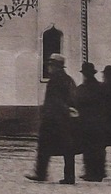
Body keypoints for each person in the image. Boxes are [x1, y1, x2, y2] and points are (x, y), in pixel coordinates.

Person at [28, 53, 78, 184]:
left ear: (55, 66)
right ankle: (69, 176)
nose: (48, 67)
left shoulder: (54, 80)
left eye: (50, 65)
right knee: (68, 149)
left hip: (52, 119)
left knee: (44, 146)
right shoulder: (68, 79)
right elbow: (73, 98)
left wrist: (47, 114)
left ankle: (41, 173)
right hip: (65, 119)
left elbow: (53, 101)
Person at [76, 61, 108, 181]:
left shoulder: (81, 89)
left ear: (84, 74)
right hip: (100, 122)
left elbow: (76, 103)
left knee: (88, 148)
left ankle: (90, 172)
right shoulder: (101, 87)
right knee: (99, 148)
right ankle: (100, 172)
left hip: (86, 123)